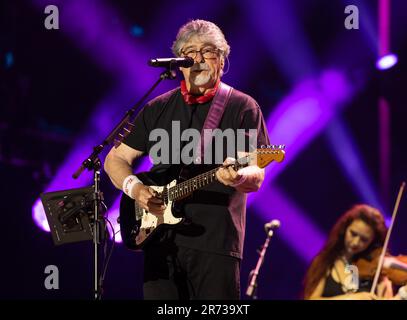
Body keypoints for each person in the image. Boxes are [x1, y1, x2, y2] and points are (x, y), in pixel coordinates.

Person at [104, 19, 270, 300]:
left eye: (208, 51)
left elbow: (256, 171)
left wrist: (239, 176)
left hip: (216, 244)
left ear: (221, 60)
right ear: (179, 60)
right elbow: (115, 160)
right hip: (160, 243)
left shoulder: (242, 107)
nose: (198, 58)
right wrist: (137, 190)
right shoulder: (157, 108)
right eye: (190, 51)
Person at [303, 204, 407, 300]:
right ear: (345, 229)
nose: (356, 242)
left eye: (364, 239)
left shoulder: (378, 274)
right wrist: (352, 298)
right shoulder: (326, 262)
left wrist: (402, 294)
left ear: (372, 241)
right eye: (353, 234)